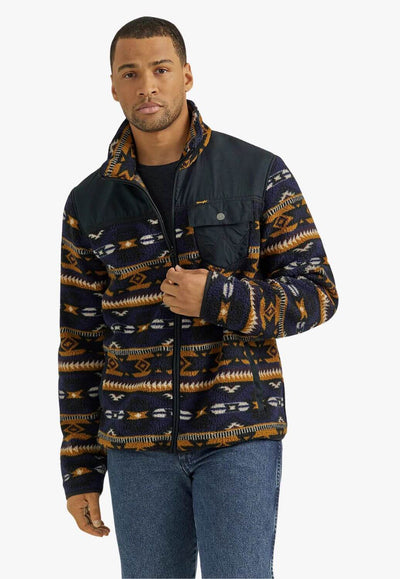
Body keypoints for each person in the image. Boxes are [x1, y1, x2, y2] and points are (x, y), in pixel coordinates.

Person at [58, 15, 339, 579]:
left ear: (186, 76)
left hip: (238, 437)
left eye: (160, 69)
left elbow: (318, 293)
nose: (147, 86)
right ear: (113, 86)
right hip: (135, 446)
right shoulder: (88, 202)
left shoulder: (258, 172)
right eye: (130, 73)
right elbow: (79, 343)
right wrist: (80, 467)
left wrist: (219, 298)